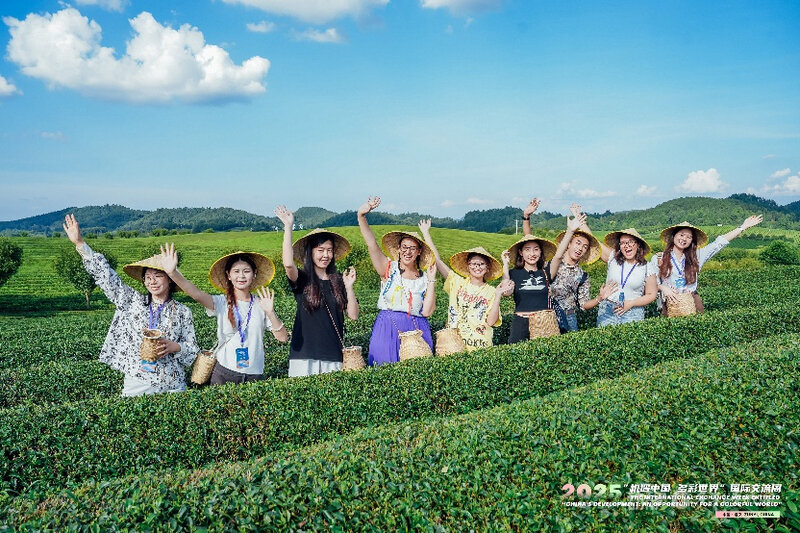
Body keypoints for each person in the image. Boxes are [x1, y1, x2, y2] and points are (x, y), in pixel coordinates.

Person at [62, 214, 199, 396]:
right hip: (137, 381)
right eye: (147, 277)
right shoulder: (132, 301)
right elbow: (108, 279)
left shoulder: (182, 311)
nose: (152, 281)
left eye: (158, 276)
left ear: (170, 280)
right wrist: (80, 244)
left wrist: (176, 347)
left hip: (172, 384)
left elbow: (193, 350)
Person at [160, 244, 288, 385]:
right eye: (236, 271)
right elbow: (196, 294)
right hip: (224, 373)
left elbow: (283, 338)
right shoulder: (221, 302)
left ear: (254, 274)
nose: (241, 276)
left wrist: (270, 312)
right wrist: (173, 273)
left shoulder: (261, 304)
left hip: (255, 375)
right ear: (229, 275)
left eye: (246, 271)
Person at [274, 206, 359, 377]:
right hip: (303, 356)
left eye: (329, 250)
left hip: (334, 355)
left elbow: (353, 315)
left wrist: (349, 287)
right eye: (320, 250)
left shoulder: (339, 280)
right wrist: (288, 227)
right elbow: (288, 264)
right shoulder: (303, 279)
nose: (325, 255)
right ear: (310, 253)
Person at [357, 196, 437, 365]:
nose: (408, 252)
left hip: (417, 330)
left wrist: (431, 281)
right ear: (399, 249)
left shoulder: (424, 278)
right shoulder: (389, 269)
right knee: (384, 369)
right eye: (404, 247)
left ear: (419, 252)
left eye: (412, 248)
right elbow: (371, 244)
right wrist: (361, 216)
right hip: (387, 327)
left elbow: (427, 312)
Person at [521, 199, 616, 331]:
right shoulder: (550, 263)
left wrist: (599, 298)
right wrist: (526, 217)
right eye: (578, 243)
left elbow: (584, 304)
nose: (580, 248)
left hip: (569, 319)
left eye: (585, 247)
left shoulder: (582, 275)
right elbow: (529, 239)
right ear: (569, 243)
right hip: (546, 317)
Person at [419, 220, 514, 351]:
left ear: (487, 268)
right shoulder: (457, 283)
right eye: (473, 264)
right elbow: (437, 260)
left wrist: (498, 295)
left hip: (480, 347)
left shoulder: (491, 291)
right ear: (468, 266)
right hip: (454, 345)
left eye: (481, 264)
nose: (477, 267)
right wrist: (426, 233)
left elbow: (491, 322)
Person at [501, 210, 585, 343]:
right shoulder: (514, 273)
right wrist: (505, 266)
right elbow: (506, 292)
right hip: (520, 325)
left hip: (544, 325)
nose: (532, 254)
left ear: (540, 252)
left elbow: (558, 256)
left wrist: (570, 231)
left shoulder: (545, 272)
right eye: (527, 250)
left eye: (536, 249)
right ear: (521, 253)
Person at [652, 215, 763, 314]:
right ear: (673, 236)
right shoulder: (659, 258)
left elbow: (719, 243)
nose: (684, 239)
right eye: (681, 235)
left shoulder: (697, 256)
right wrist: (663, 288)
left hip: (692, 301)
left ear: (692, 241)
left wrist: (743, 227)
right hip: (670, 303)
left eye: (689, 237)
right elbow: (650, 284)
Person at [596, 228, 657, 327]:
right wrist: (581, 224)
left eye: (631, 242)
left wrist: (632, 303)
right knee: (604, 336)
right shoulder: (613, 258)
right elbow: (595, 243)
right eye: (623, 243)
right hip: (608, 309)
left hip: (633, 312)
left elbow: (651, 294)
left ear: (638, 244)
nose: (627, 245)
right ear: (619, 246)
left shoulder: (647, 267)